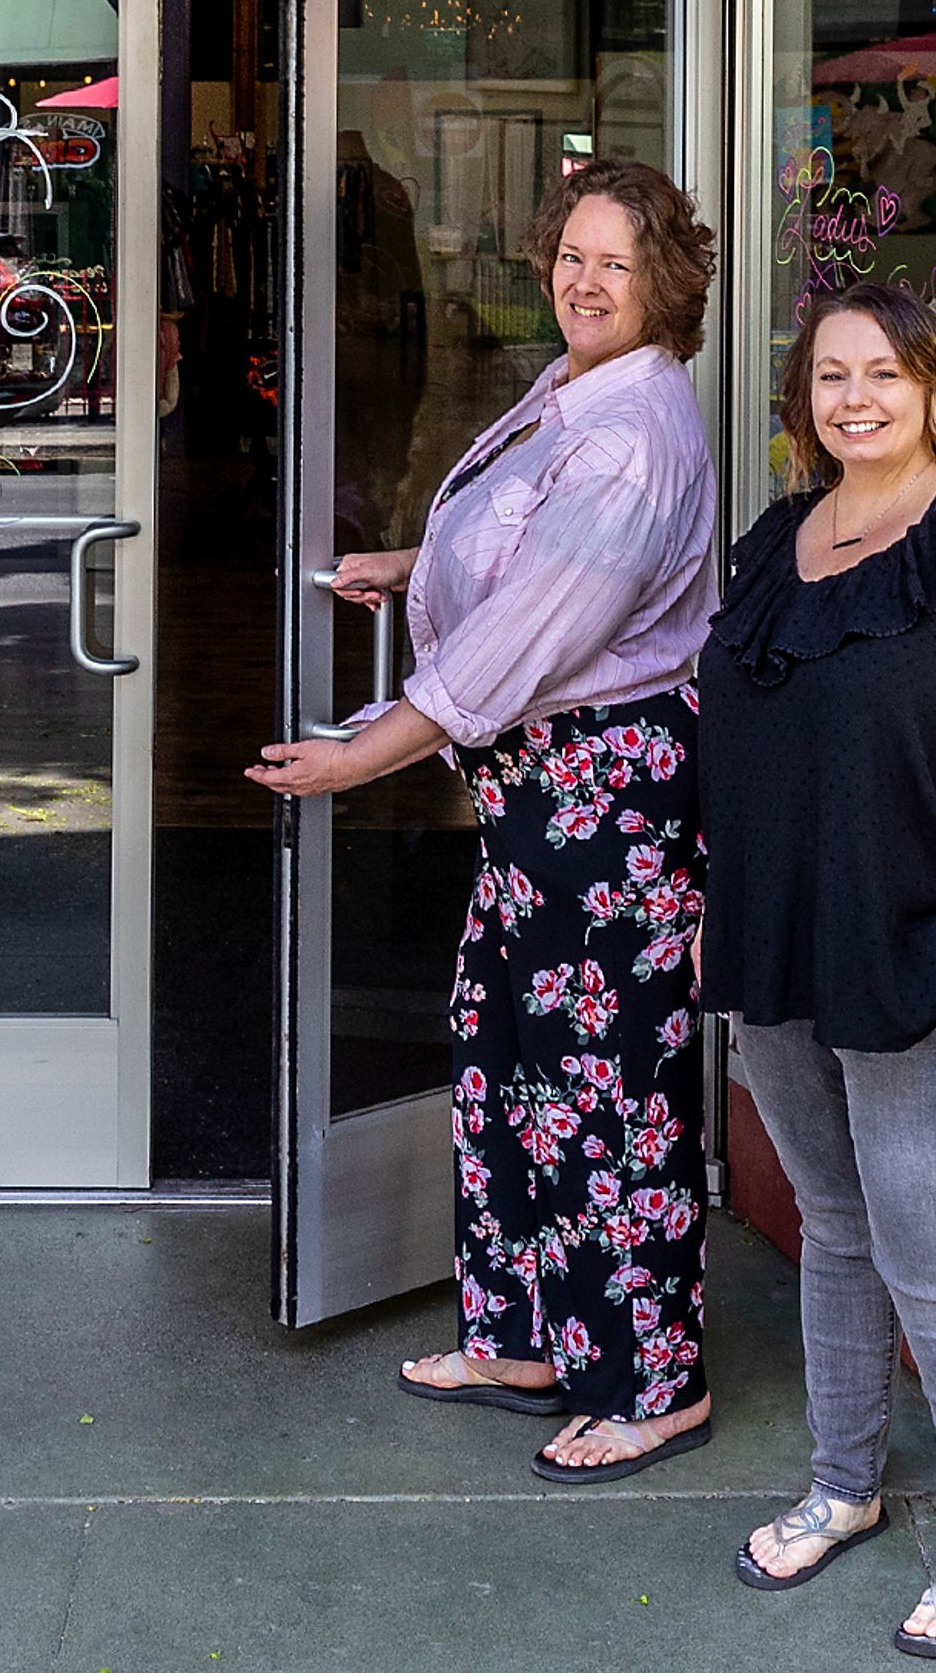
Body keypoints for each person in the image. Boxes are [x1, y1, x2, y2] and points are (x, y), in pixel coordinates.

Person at [248, 159, 720, 1483]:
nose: (582, 280)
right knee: (507, 1048)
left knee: (608, 1087)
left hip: (601, 794)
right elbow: (525, 548)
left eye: (612, 263)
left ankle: (652, 1381)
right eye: (569, 253)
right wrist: (413, 565)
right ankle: (522, 1330)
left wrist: (356, 761)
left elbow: (513, 651)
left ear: (665, 282)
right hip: (536, 792)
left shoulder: (636, 431)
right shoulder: (581, 387)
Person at [700, 279, 936, 1660]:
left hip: (931, 955)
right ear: (804, 401)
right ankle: (844, 1483)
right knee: (836, 1229)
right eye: (830, 377)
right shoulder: (773, 543)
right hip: (789, 952)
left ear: (934, 386)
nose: (854, 397)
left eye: (883, 373)